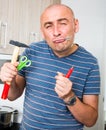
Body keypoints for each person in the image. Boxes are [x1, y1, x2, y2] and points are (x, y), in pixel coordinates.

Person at [0, 4, 100, 130]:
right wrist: (10, 79)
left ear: (76, 25)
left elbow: (91, 120)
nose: (56, 32)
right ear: (42, 32)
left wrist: (69, 97)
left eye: (63, 23)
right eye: (48, 26)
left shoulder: (90, 63)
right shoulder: (31, 52)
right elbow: (12, 95)